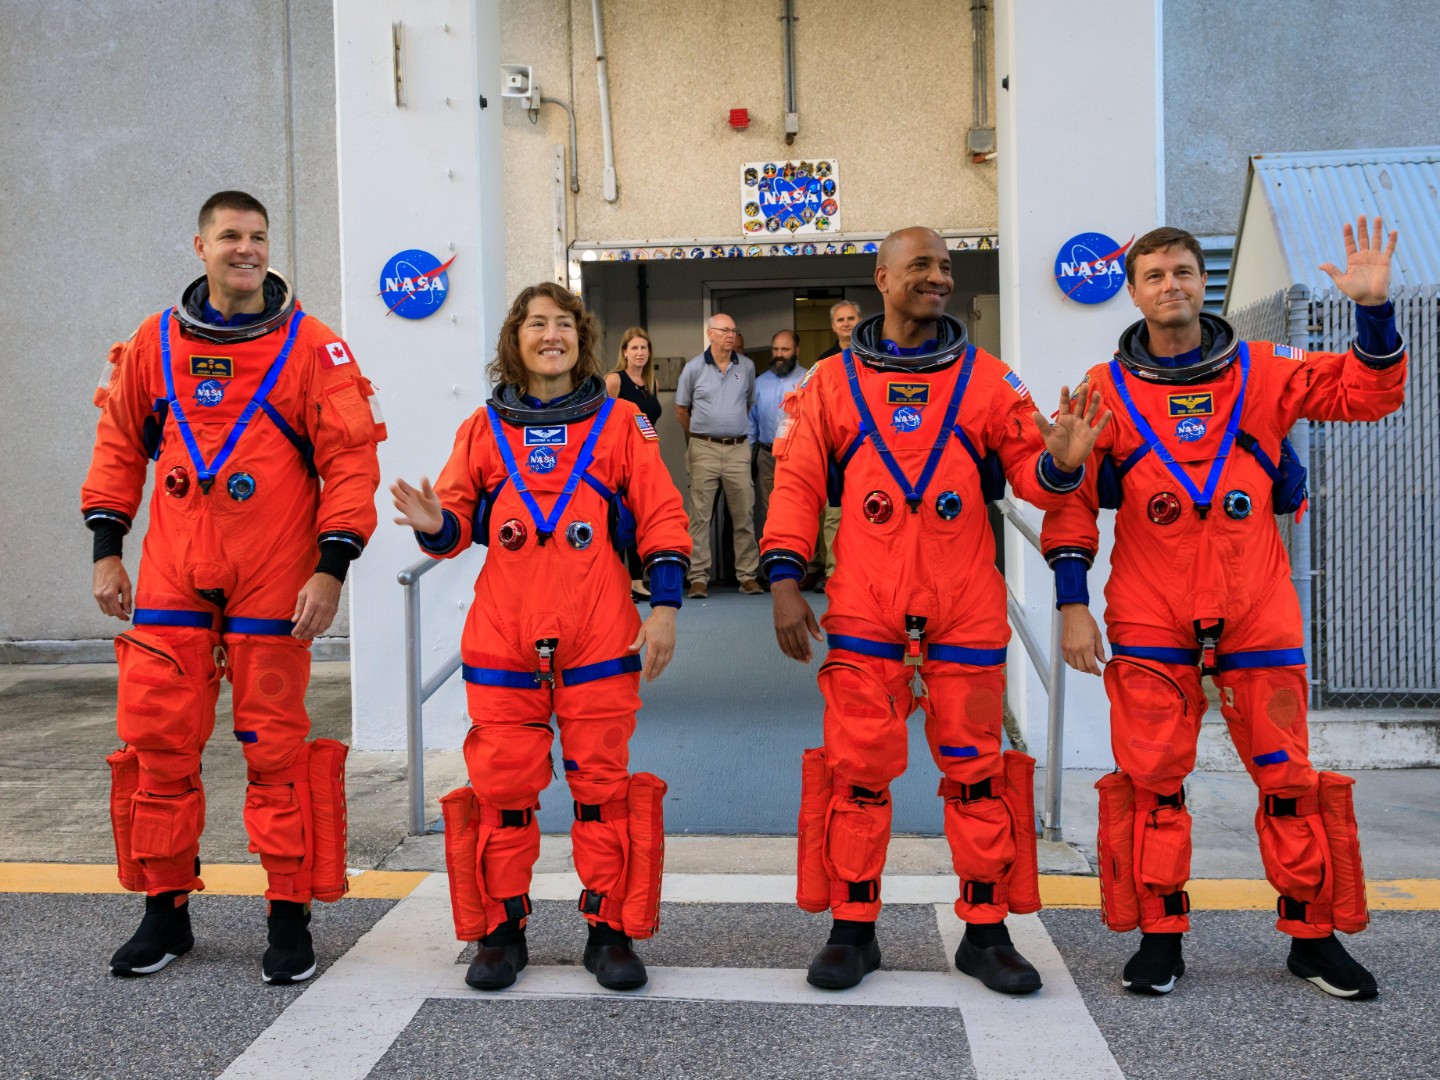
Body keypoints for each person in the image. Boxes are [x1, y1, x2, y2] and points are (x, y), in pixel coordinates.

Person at [1041, 217, 1405, 1001]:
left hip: (1256, 608)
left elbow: (1369, 394)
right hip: (1149, 611)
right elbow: (1068, 504)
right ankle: (1160, 938)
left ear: (1199, 281)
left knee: (1287, 779)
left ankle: (1313, 939)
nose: (1171, 285)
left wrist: (1374, 312)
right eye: (1155, 276)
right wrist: (1073, 605)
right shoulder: (1100, 392)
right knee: (1153, 782)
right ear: (1133, 293)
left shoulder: (1267, 370)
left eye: (1183, 271)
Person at [761, 227, 1108, 993]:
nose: (938, 278)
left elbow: (1034, 482)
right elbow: (794, 485)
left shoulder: (989, 380)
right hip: (866, 608)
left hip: (964, 609)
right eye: (921, 266)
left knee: (978, 773)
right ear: (880, 279)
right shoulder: (827, 383)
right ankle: (853, 929)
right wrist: (785, 580)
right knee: (856, 775)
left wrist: (1062, 462)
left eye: (947, 268)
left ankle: (985, 932)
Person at [82, 190, 385, 984]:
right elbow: (119, 445)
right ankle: (164, 913)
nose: (244, 249)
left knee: (276, 750)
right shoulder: (154, 343)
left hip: (275, 580)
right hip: (175, 574)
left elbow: (350, 466)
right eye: (229, 236)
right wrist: (107, 550)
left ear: (268, 246)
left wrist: (332, 567)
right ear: (201, 246)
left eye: (256, 237)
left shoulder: (315, 348)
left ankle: (289, 917)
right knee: (157, 746)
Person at [392, 282, 691, 993]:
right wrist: (436, 521)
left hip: (598, 635)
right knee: (503, 794)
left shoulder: (622, 424)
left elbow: (662, 518)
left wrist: (667, 608)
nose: (550, 334)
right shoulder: (482, 429)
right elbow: (455, 528)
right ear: (514, 340)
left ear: (581, 338)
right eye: (535, 323)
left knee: (602, 793)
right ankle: (501, 932)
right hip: (504, 638)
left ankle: (609, 930)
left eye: (563, 323)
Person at [674, 313, 761, 598]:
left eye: (734, 331)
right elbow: (681, 410)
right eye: (725, 330)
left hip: (738, 449)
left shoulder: (746, 366)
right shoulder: (694, 368)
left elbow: (748, 404)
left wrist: (729, 425)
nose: (731, 335)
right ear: (710, 334)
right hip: (704, 448)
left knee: (744, 516)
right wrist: (700, 438)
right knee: (700, 517)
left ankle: (747, 576)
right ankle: (698, 577)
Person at [605, 327, 664, 598]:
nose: (640, 353)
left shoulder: (652, 382)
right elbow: (601, 423)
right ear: (625, 352)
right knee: (621, 518)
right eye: (635, 348)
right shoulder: (614, 381)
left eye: (644, 348)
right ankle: (619, 579)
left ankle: (637, 578)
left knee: (643, 519)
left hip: (646, 459)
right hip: (619, 460)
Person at [811, 301, 862, 589]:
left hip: (871, 445)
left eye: (851, 318)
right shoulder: (823, 362)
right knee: (834, 514)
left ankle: (863, 572)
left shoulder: (875, 354)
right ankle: (833, 571)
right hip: (836, 449)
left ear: (860, 320)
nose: (846, 323)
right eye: (840, 319)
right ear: (833, 326)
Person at [749, 329, 807, 537]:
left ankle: (806, 564)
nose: (779, 354)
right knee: (770, 512)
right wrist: (747, 456)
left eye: (785, 349)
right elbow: (752, 423)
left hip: (798, 457)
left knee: (799, 509)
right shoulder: (760, 383)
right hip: (767, 457)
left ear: (797, 350)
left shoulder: (809, 380)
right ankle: (773, 561)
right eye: (775, 349)